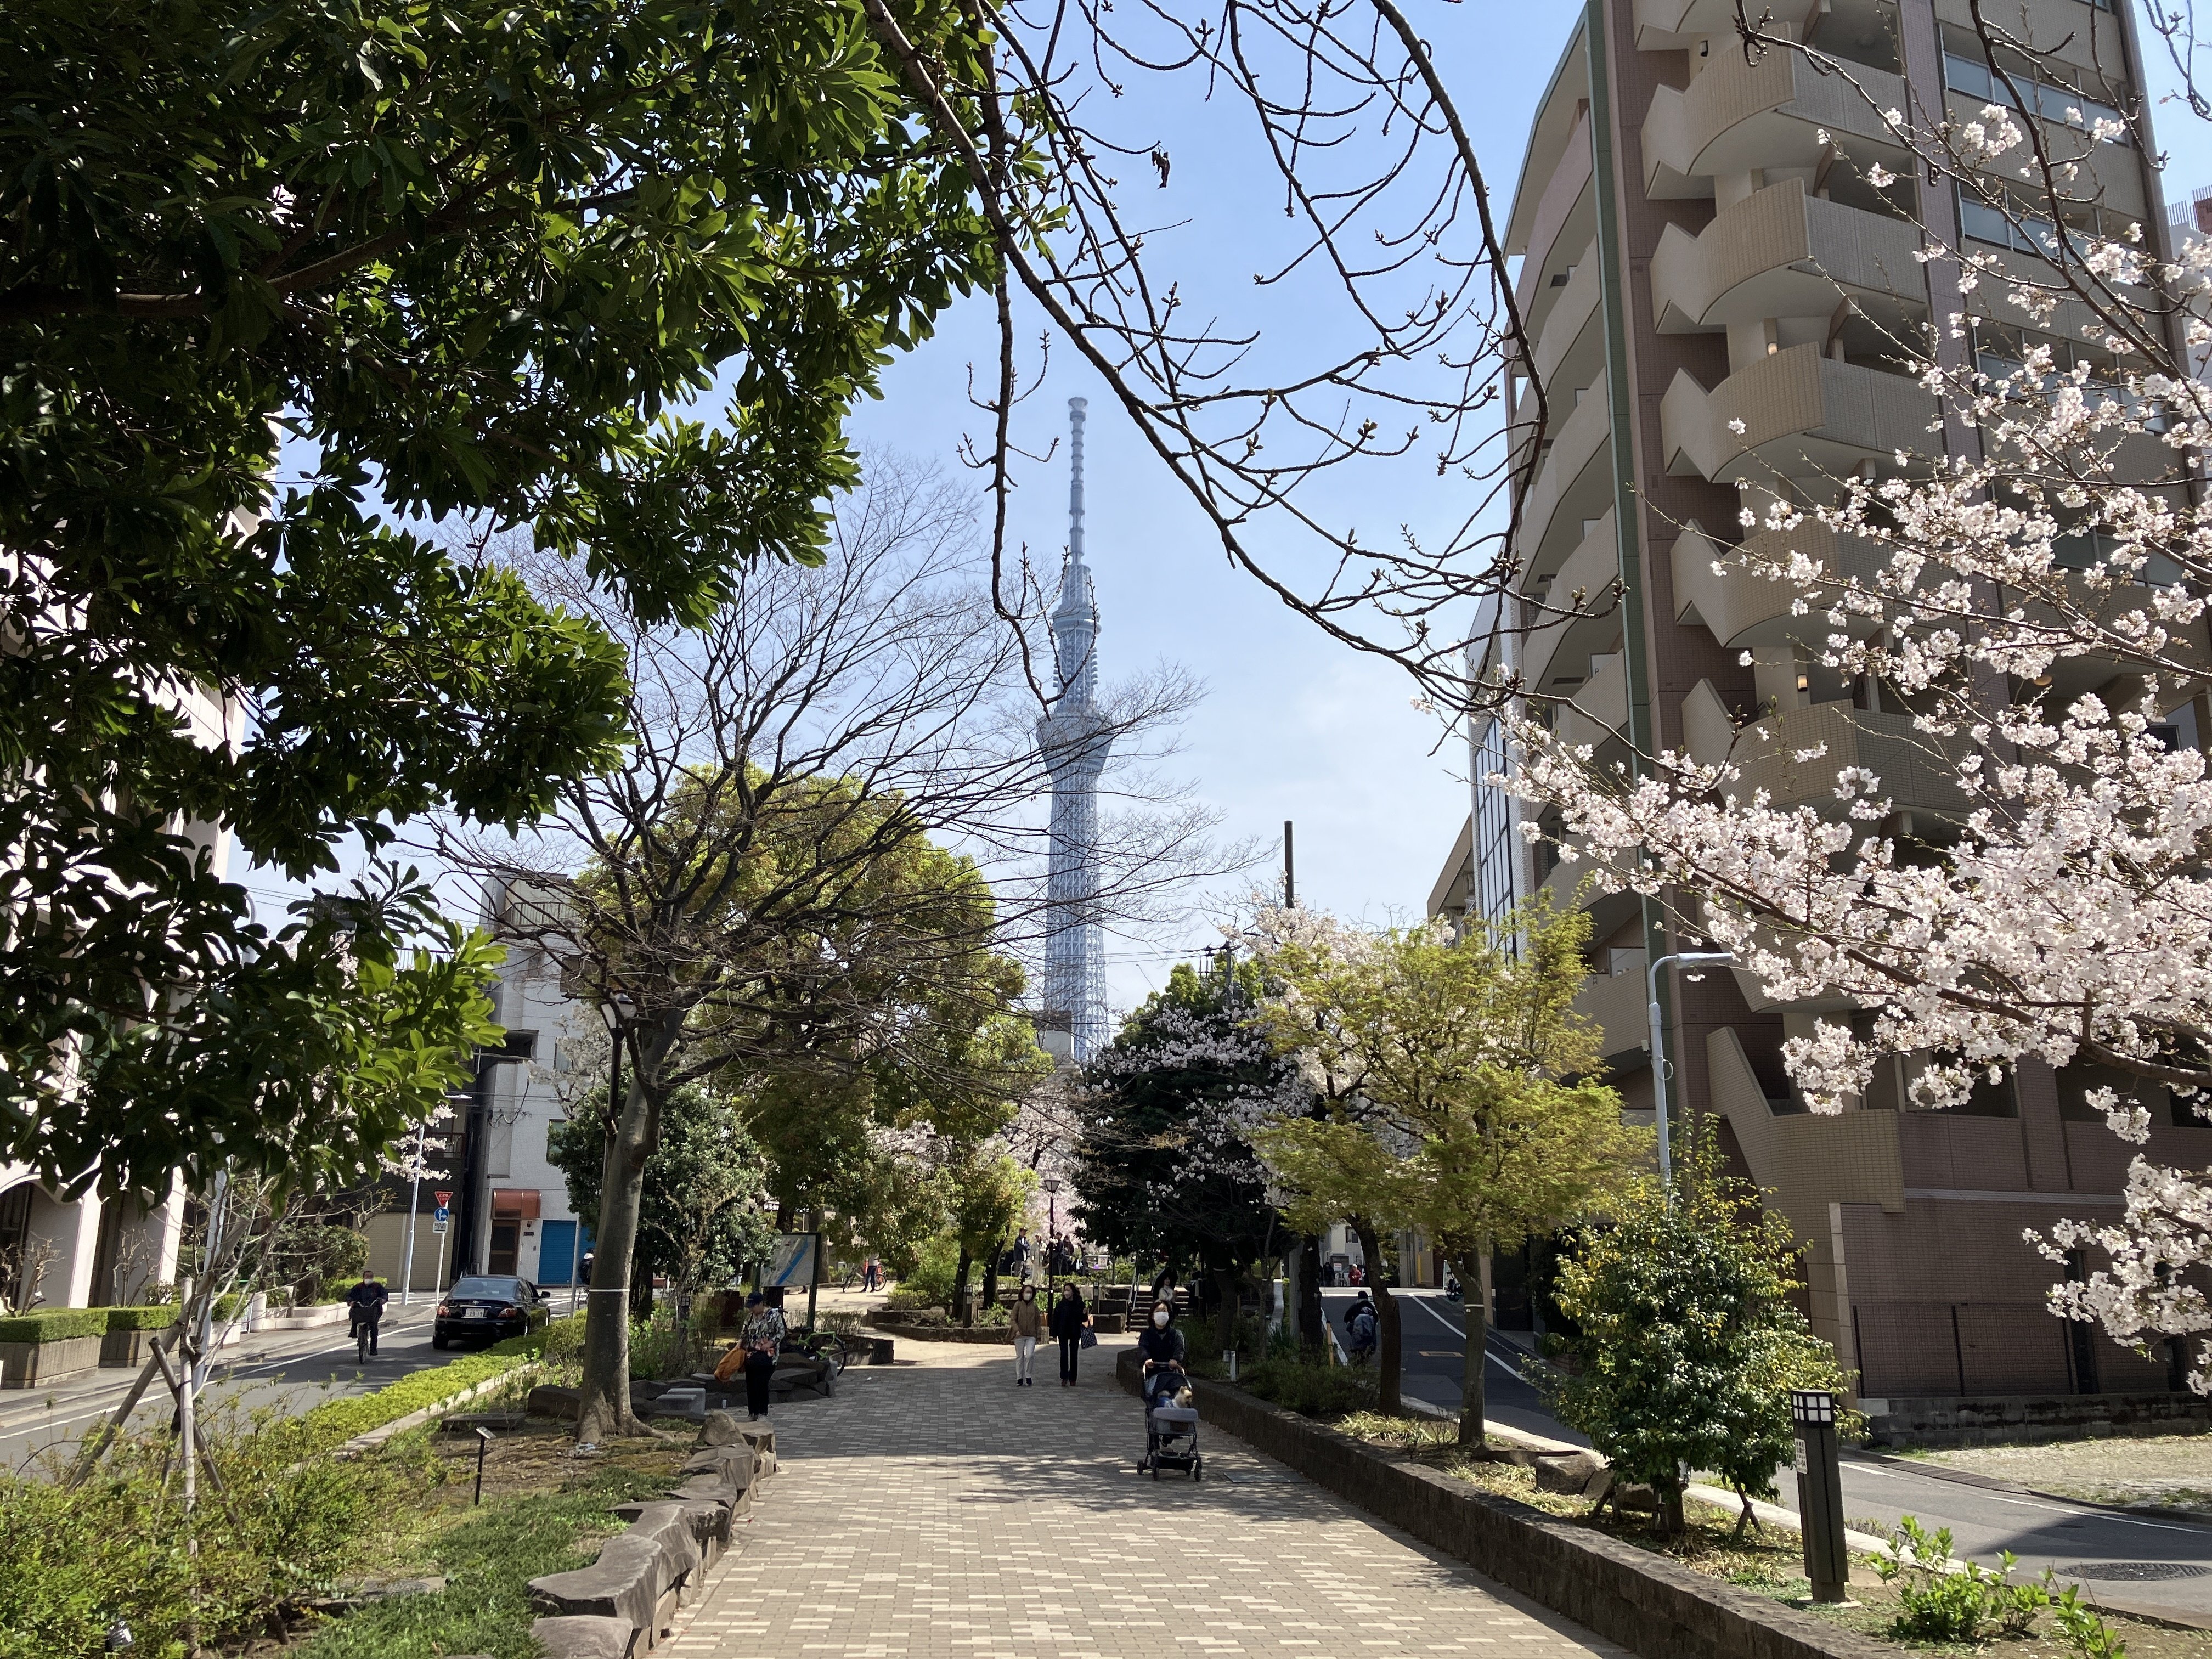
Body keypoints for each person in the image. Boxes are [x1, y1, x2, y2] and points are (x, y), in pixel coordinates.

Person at [733, 1290, 785, 1420]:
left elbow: (781, 1332)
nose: (752, 1309)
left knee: (762, 1383)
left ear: (761, 1304)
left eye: (754, 1306)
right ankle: (753, 1412)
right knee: (751, 1384)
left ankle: (762, 1412)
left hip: (768, 1355)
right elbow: (744, 1333)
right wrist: (739, 1344)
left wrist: (771, 1343)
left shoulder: (774, 1315)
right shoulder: (750, 1317)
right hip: (752, 1355)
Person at [1137, 1301, 1188, 1406]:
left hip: (1172, 1375)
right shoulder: (1146, 1334)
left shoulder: (1176, 1334)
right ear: (1152, 1316)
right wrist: (1147, 1359)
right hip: (1153, 1375)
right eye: (1158, 1311)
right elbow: (1143, 1349)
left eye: (1164, 1311)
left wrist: (1176, 1360)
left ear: (1169, 1314)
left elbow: (1179, 1349)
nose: (1161, 1314)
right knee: (1158, 1394)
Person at [1049, 1282, 1091, 1387]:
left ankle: (1073, 1378)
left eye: (1068, 1290)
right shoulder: (1061, 1305)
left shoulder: (1079, 1304)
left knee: (1074, 1355)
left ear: (1073, 1291)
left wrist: (1084, 1313)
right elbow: (1055, 1319)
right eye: (1065, 1290)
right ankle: (1064, 1377)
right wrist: (1054, 1333)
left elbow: (1083, 1320)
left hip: (1074, 1332)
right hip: (1063, 1332)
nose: (1066, 1292)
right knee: (1064, 1354)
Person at [343, 1271, 389, 1356]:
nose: (369, 1279)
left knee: (374, 1327)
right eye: (367, 1277)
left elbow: (384, 1295)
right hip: (360, 1309)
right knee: (355, 1316)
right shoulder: (358, 1287)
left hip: (373, 1310)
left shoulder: (377, 1287)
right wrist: (351, 1302)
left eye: (371, 1277)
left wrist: (383, 1300)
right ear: (364, 1278)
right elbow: (350, 1296)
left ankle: (373, 1349)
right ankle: (354, 1331)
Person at [1009, 1283, 1044, 1385]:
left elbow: (1038, 1322)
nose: (1028, 1294)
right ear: (1023, 1293)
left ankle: (1028, 1376)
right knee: (1020, 1357)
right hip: (1019, 1335)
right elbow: (1013, 1319)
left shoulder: (1034, 1306)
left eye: (1030, 1292)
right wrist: (1017, 1330)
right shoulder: (1018, 1305)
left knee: (1030, 1355)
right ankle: (1019, 1378)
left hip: (1031, 1336)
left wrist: (1038, 1335)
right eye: (1027, 1292)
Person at [1345, 1290, 1378, 1364]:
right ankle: (1372, 1348)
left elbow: (1346, 1318)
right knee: (1373, 1328)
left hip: (1358, 1333)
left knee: (1350, 1326)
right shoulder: (1370, 1306)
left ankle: (1354, 1350)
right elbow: (1376, 1318)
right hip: (1369, 1333)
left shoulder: (1355, 1306)